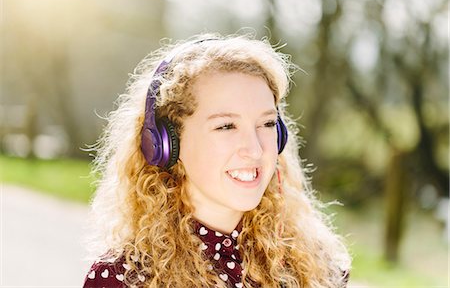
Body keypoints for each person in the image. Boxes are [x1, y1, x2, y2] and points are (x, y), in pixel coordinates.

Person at [82, 33, 351, 288]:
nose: (256, 150)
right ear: (166, 143)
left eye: (267, 123)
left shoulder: (316, 266)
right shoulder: (123, 278)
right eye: (226, 127)